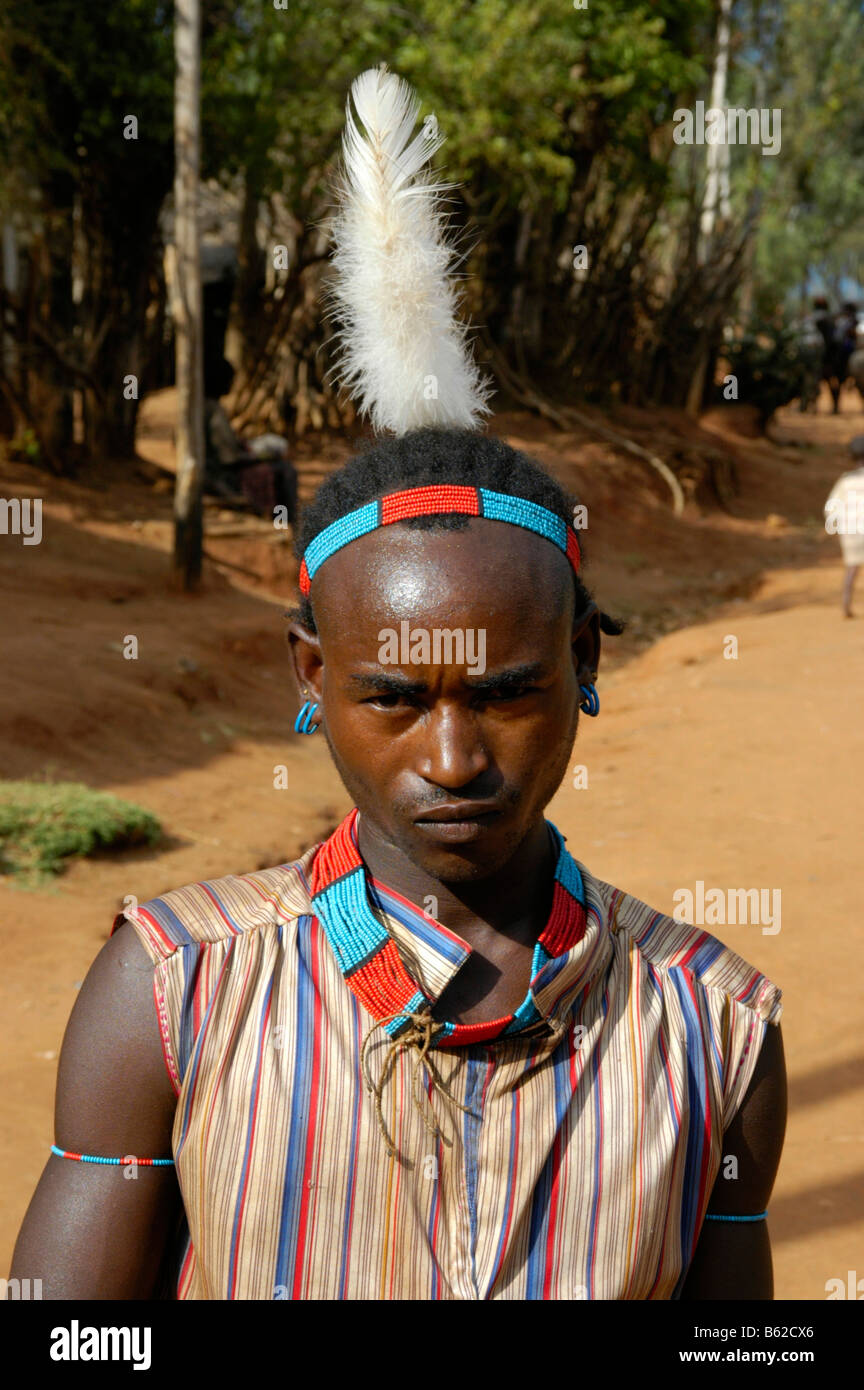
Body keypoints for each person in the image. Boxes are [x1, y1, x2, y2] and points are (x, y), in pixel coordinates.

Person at [11, 67, 786, 1302]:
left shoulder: (714, 1028)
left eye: (505, 691)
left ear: (585, 662)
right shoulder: (175, 985)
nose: (453, 758)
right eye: (395, 698)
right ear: (311, 676)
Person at [203, 354, 298, 523]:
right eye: (230, 379)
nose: (232, 384)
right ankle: (285, 521)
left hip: (212, 471)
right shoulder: (214, 411)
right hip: (221, 477)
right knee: (285, 470)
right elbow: (229, 458)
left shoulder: (203, 406)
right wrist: (257, 456)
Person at [824, 434, 864, 617]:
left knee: (851, 569)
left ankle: (846, 605)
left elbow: (831, 507)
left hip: (851, 531)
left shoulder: (845, 481)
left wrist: (836, 525)